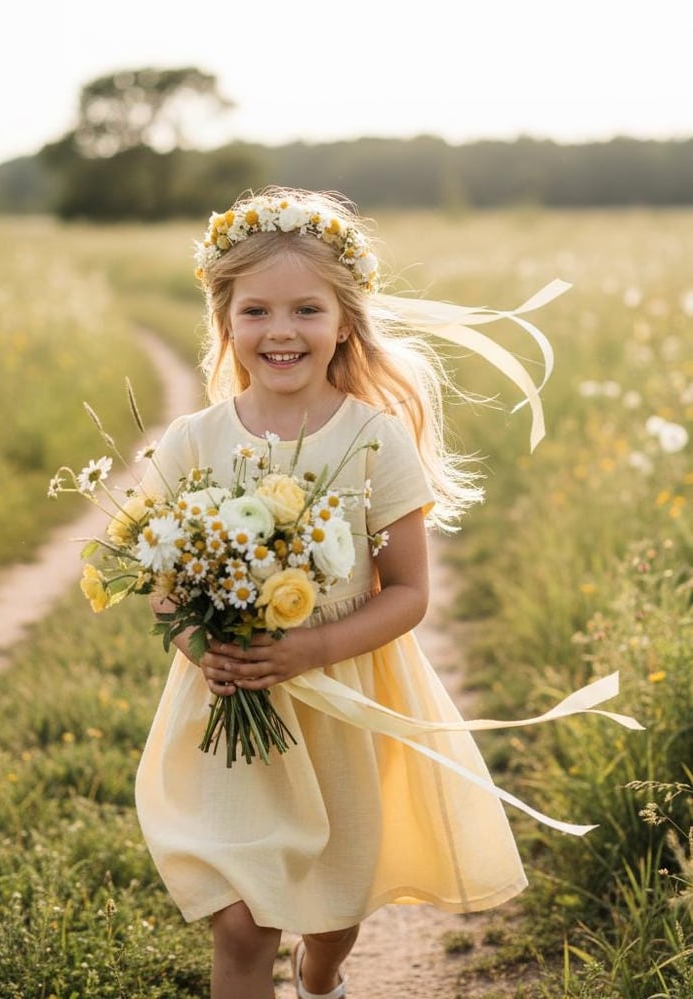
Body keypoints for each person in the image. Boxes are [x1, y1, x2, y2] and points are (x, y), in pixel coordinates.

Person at [130, 187, 620, 999]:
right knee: (243, 921)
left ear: (345, 320)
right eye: (255, 310)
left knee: (332, 908)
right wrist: (202, 647)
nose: (280, 331)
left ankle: (323, 978)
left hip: (339, 702)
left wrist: (310, 646)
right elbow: (164, 589)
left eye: (305, 309)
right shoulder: (192, 442)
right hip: (226, 711)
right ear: (225, 320)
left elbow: (410, 592)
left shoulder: (372, 438)